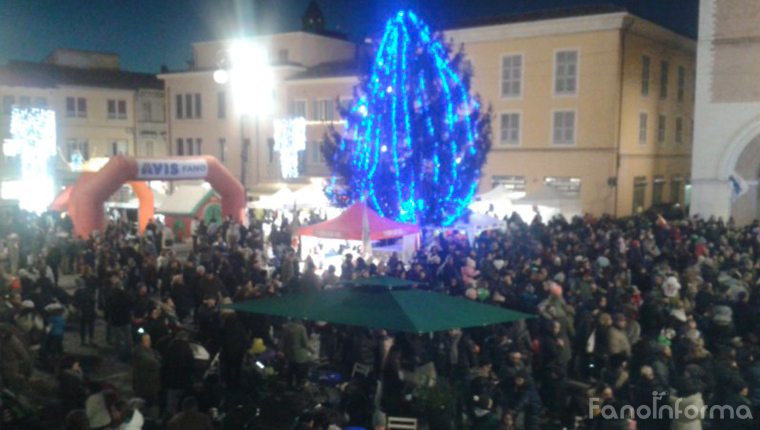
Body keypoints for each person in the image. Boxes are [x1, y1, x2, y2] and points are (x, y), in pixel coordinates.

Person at [280, 319, 314, 389]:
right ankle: (298, 386)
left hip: (290, 354)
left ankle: (289, 386)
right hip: (300, 355)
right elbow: (305, 343)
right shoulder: (301, 328)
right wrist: (312, 350)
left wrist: (281, 350)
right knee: (300, 372)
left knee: (290, 371)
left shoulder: (286, 326)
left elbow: (283, 340)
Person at [132, 333, 162, 406]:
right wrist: (157, 358)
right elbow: (157, 363)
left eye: (149, 340)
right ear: (141, 343)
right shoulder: (145, 357)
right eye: (146, 340)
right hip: (147, 385)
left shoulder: (145, 351)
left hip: (146, 384)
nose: (149, 342)